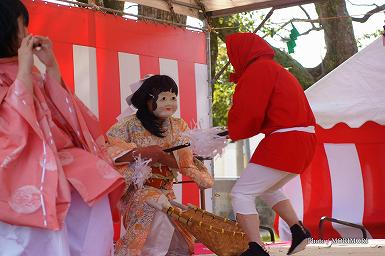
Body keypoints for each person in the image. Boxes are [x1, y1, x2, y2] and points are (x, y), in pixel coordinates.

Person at [0, 1, 124, 255]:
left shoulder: (27, 69)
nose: (27, 36)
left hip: (55, 163)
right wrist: (24, 68)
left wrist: (51, 66)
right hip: (18, 175)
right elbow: (11, 130)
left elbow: (61, 117)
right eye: (22, 28)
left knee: (95, 182)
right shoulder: (20, 69)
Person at [225, 32, 316, 256]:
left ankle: (256, 247)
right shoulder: (274, 69)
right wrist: (233, 130)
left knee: (241, 194)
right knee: (268, 188)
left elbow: (249, 112)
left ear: (241, 53)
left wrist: (231, 130)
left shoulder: (258, 71)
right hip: (304, 140)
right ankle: (298, 229)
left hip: (286, 141)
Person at [107, 74, 214, 256]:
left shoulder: (179, 125)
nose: (169, 103)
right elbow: (108, 152)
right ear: (147, 99)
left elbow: (185, 161)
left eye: (173, 98)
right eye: (163, 98)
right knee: (157, 208)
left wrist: (162, 158)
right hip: (139, 193)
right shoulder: (128, 125)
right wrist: (142, 153)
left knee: (180, 234)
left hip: (166, 191)